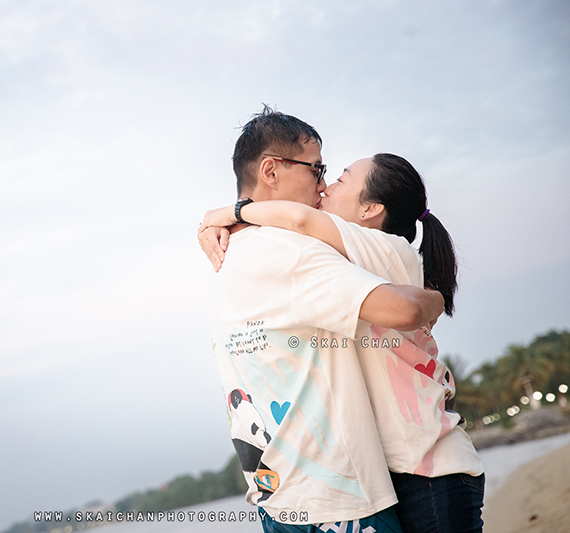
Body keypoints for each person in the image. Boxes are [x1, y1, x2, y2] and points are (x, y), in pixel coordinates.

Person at [200, 154, 485, 533]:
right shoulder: (358, 252)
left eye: (340, 179)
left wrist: (231, 213)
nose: (326, 186)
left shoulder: (377, 246)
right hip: (406, 466)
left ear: (370, 208)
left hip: (431, 465)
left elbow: (299, 220)